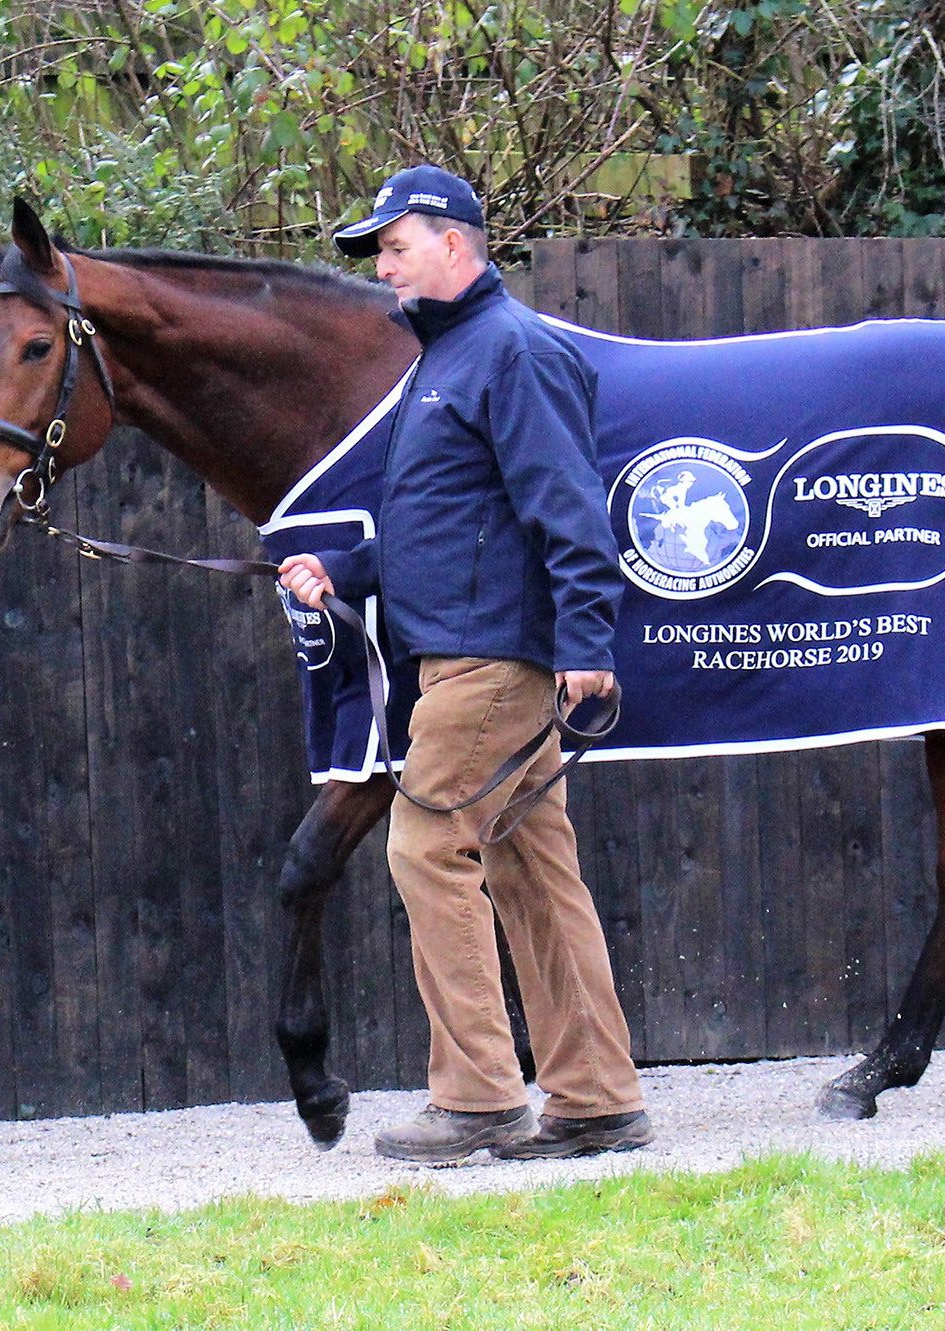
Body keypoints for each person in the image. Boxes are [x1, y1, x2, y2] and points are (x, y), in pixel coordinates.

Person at [278, 164, 652, 1164]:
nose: (383, 268)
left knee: (424, 844)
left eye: (394, 247)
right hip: (477, 652)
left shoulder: (510, 354)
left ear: (455, 242)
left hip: (489, 660)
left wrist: (586, 643)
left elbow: (569, 508)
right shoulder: (451, 360)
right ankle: (596, 1095)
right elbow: (447, 520)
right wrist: (346, 569)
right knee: (534, 871)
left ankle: (481, 1094)